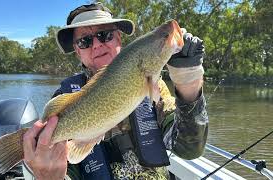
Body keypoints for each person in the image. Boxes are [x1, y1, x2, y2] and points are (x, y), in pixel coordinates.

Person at [23, 2, 208, 180]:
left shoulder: (154, 87)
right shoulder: (66, 98)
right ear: (77, 51)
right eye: (85, 41)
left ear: (119, 38)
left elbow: (188, 148)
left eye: (105, 35)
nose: (96, 45)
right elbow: (66, 170)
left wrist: (189, 83)